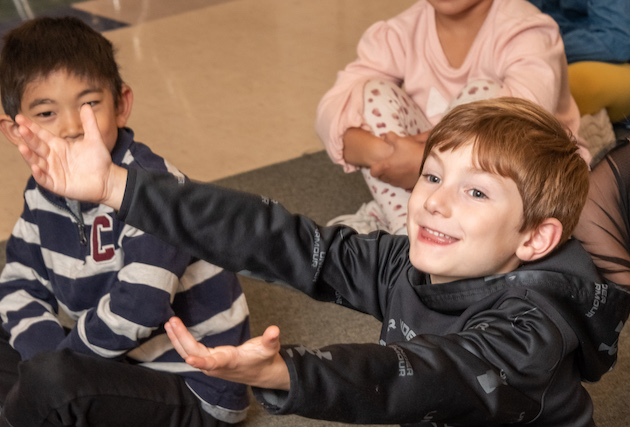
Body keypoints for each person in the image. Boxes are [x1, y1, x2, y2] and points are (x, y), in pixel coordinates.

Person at [12, 96, 630, 426]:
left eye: (475, 192)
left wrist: (286, 375)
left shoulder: (530, 334)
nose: (434, 203)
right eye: (433, 175)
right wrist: (123, 188)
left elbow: (420, 375)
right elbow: (280, 237)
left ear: (534, 239)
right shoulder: (409, 267)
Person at [0, 17, 249, 426]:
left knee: (51, 381)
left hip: (192, 387)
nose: (70, 127)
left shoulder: (153, 187)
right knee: (39, 366)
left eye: (89, 104)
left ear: (121, 104)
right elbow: (19, 283)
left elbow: (141, 304)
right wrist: (43, 365)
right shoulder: (40, 190)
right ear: (15, 130)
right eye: (46, 112)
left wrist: (56, 370)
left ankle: (32, 406)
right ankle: (35, 402)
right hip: (103, 365)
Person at [315, 0, 589, 235]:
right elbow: (330, 113)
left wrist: (425, 163)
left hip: (524, 175)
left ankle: (418, 224)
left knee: (485, 97)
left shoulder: (526, 30)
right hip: (431, 173)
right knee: (371, 91)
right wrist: (387, 154)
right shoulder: (400, 32)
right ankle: (406, 232)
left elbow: (522, 132)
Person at [527, 0, 630, 124]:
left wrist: (548, 49)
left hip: (612, 57)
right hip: (557, 53)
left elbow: (618, 41)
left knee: (554, 90)